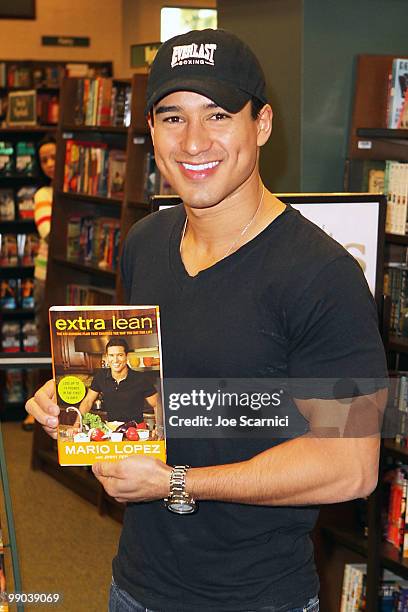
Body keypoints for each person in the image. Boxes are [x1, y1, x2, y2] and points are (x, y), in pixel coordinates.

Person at [26, 29, 388, 612]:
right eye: (173, 118)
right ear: (151, 131)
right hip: (136, 585)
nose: (194, 142)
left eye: (218, 114)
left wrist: (176, 481)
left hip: (255, 597)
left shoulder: (325, 274)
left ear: (262, 124)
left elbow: (351, 468)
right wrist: (76, 404)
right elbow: (148, 388)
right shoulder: (145, 242)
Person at [22, 135, 56, 431]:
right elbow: (48, 231)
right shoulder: (43, 194)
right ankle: (36, 407)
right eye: (43, 159)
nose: (49, 164)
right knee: (42, 339)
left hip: (63, 273)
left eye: (54, 157)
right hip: (46, 275)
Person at [78, 337, 158, 424]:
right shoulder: (101, 376)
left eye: (120, 355)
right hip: (113, 431)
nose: (115, 360)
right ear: (107, 357)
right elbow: (88, 401)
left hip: (136, 431)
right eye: (111, 355)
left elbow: (157, 405)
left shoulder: (141, 379)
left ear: (127, 356)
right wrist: (77, 424)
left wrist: (159, 427)